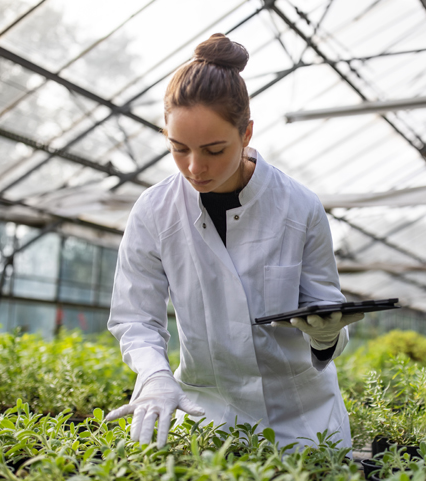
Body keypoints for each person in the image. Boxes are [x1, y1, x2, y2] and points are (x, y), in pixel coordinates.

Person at [105, 33, 364, 451]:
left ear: (246, 133)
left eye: (213, 149)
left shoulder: (299, 207)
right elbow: (135, 318)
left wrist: (326, 333)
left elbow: (327, 312)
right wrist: (154, 376)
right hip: (209, 415)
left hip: (302, 420)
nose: (194, 167)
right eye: (179, 148)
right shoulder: (154, 212)